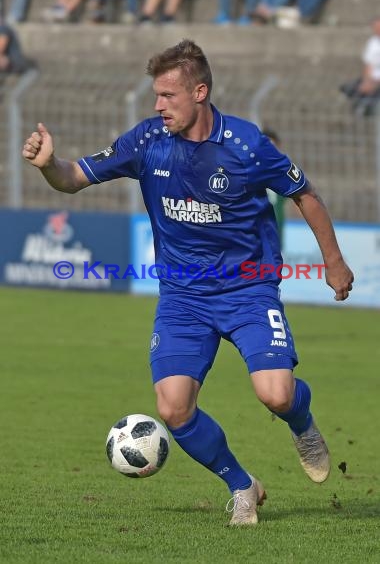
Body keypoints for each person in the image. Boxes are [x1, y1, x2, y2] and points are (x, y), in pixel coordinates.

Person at [22, 39, 354, 526]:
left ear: (200, 92)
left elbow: (305, 194)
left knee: (276, 395)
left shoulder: (246, 145)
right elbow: (73, 177)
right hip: (183, 299)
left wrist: (334, 261)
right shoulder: (146, 141)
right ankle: (242, 485)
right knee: (174, 409)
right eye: (155, 96)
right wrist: (49, 163)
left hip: (248, 290)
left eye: (168, 96)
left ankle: (302, 424)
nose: (158, 106)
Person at [340, 16, 380, 116]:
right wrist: (367, 81)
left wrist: (375, 83)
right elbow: (368, 64)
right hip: (372, 79)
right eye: (374, 27)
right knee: (348, 88)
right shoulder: (372, 42)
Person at [262, 127, 286, 248]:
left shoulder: (283, 173)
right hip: (253, 235)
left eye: (273, 146)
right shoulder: (247, 172)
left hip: (275, 233)